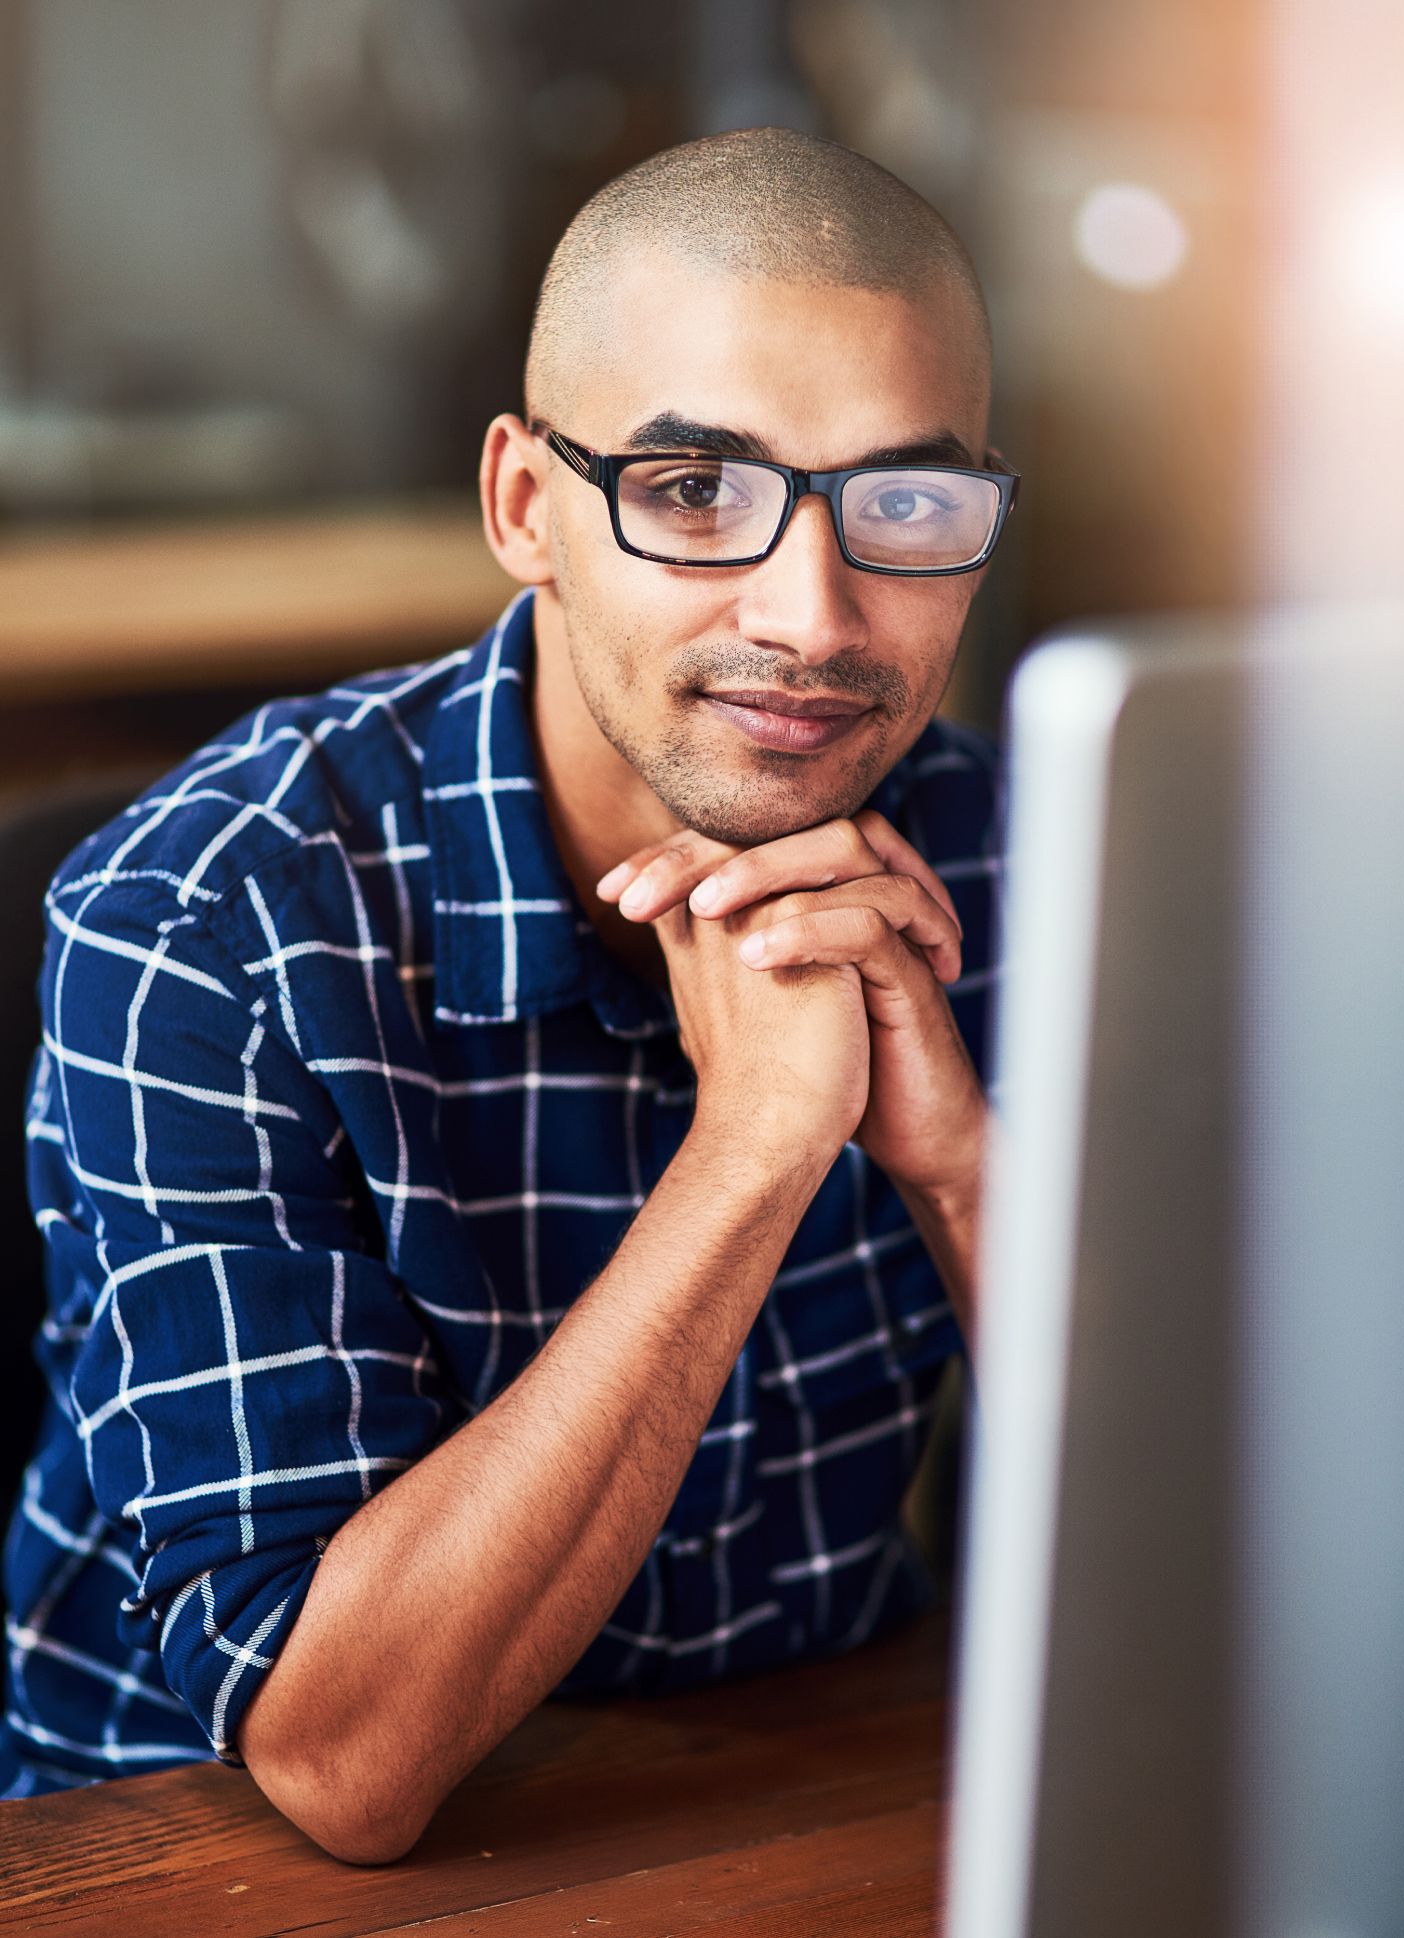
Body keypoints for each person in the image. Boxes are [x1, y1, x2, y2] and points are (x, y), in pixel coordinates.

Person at [0, 126, 1015, 1859]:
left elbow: (1235, 1598)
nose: (813, 611)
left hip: (795, 1815)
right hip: (183, 1868)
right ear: (527, 508)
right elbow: (343, 1761)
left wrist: (965, 1173)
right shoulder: (210, 915)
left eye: (904, 503)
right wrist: (754, 1150)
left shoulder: (1020, 851)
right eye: (697, 491)